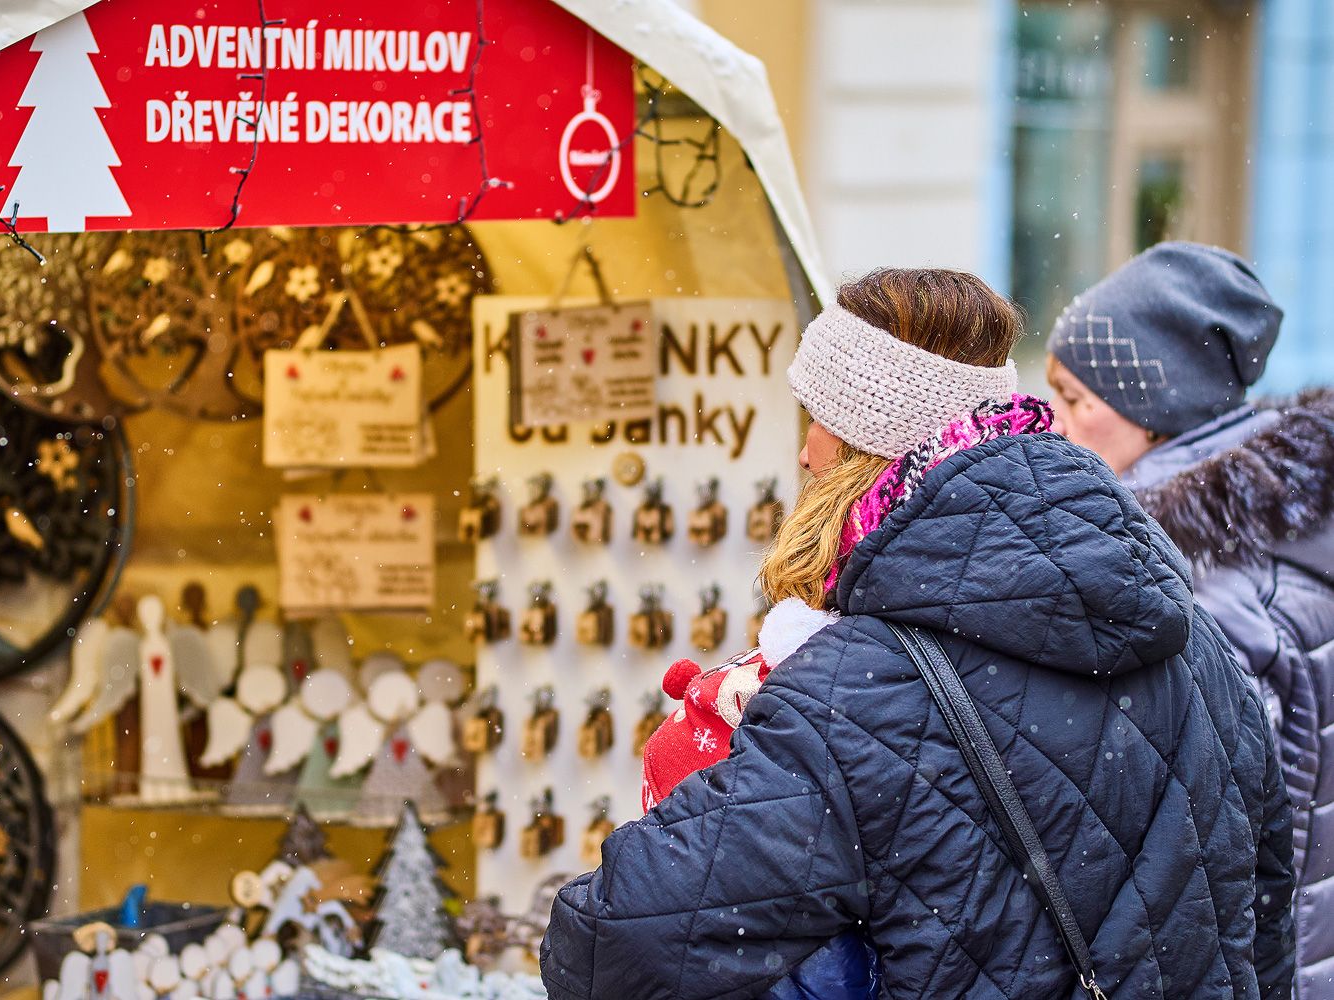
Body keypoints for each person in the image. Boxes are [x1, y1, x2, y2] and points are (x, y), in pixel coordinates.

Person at [540, 268, 1294, 999]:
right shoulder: (1196, 642)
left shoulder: (852, 692)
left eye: (822, 420)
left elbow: (607, 947)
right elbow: (1263, 924)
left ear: (872, 449)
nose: (805, 450)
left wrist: (705, 760)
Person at [1046, 240, 1330, 997]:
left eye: (1078, 399)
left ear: (1156, 411)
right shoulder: (1271, 535)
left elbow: (1204, 851)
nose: (1059, 425)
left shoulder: (1205, 595)